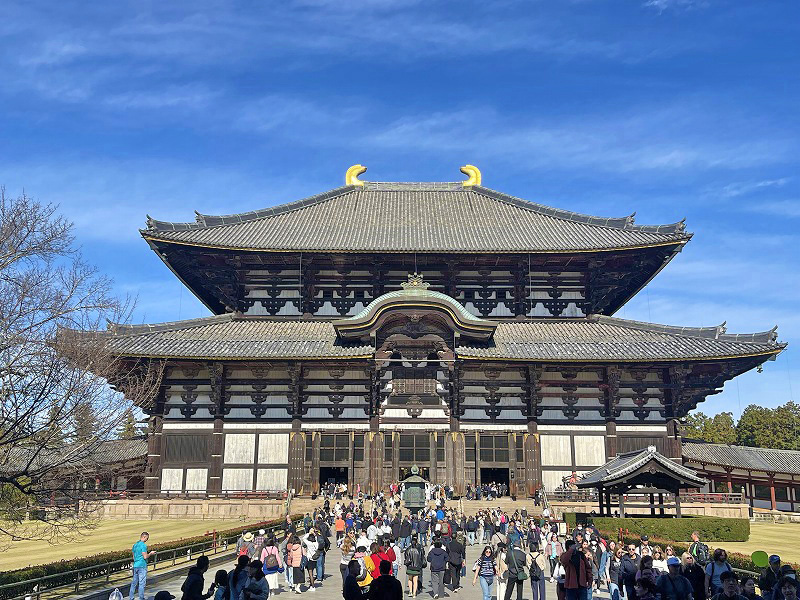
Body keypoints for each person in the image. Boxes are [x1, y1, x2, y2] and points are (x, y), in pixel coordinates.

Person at [130, 532, 154, 600]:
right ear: (144, 537)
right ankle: (141, 598)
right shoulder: (143, 545)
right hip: (142, 566)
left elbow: (134, 557)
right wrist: (150, 553)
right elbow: (145, 556)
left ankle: (131, 597)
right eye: (147, 538)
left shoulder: (135, 545)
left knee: (134, 583)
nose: (147, 539)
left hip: (135, 565)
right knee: (141, 583)